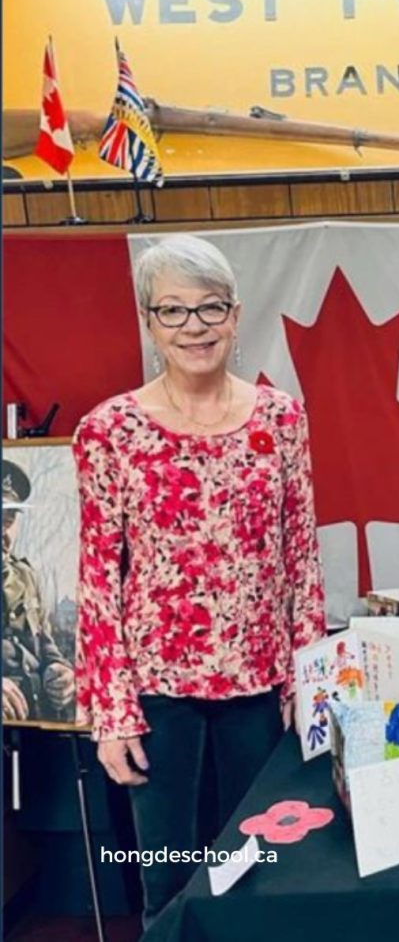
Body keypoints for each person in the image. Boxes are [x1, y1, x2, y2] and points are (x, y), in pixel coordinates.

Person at [73, 233, 326, 929]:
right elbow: (98, 576)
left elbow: (301, 558)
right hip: (158, 695)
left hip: (260, 688)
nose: (195, 327)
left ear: (236, 316)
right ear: (150, 323)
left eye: (210, 308)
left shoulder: (281, 419)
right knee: (167, 880)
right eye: (174, 311)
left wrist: (310, 683)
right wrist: (112, 712)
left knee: (262, 869)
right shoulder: (110, 430)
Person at [2, 458, 76, 723]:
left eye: (9, 520)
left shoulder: (26, 575)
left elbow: (44, 642)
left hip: (33, 717)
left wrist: (60, 670)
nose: (3, 532)